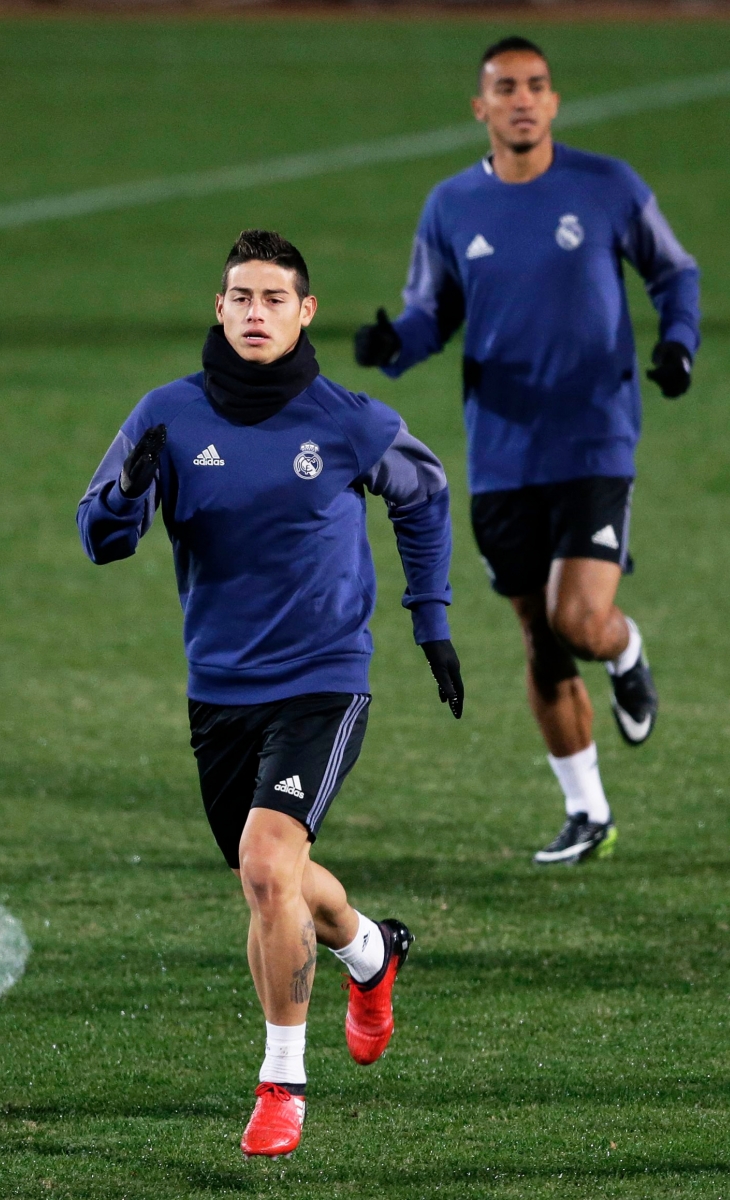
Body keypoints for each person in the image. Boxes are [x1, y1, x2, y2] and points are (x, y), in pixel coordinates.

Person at [78, 230, 462, 1158]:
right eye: (240, 298)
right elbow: (99, 539)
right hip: (219, 691)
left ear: (305, 312)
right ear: (219, 309)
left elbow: (425, 491)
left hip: (324, 681)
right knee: (275, 882)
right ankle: (370, 953)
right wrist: (125, 496)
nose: (256, 313)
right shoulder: (166, 414)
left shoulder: (347, 419)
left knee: (264, 862)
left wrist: (431, 618)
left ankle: (281, 1082)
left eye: (273, 299)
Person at [352, 36, 702, 867]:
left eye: (536, 86)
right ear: (481, 108)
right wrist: (389, 346)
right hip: (503, 453)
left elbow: (674, 271)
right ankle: (588, 815)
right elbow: (430, 314)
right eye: (504, 88)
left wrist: (678, 343)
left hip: (595, 436)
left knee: (578, 619)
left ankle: (626, 649)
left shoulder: (607, 186)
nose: (521, 100)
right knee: (539, 640)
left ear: (553, 103)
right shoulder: (450, 207)